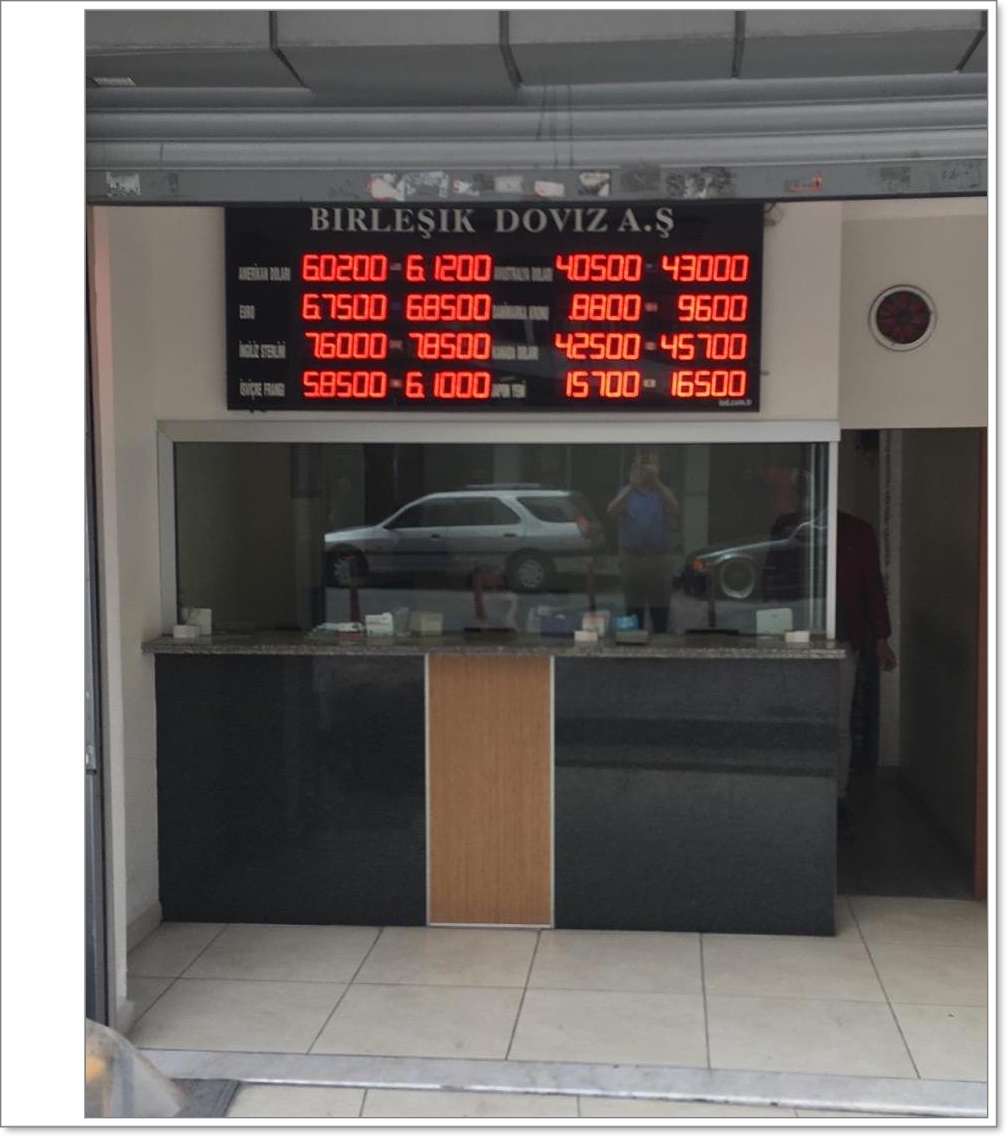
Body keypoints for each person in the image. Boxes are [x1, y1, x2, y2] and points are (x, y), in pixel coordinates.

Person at [835, 510, 897, 835]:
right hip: (798, 640)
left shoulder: (855, 532)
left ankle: (837, 798)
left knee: (839, 726)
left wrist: (881, 637)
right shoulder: (797, 528)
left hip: (843, 641)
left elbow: (872, 585)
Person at [607, 448, 680, 634]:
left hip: (659, 560)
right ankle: (635, 646)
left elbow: (674, 508)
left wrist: (657, 482)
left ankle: (660, 645)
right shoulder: (626, 493)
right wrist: (632, 485)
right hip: (633, 560)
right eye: (641, 466)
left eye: (649, 467)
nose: (645, 471)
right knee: (633, 611)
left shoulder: (662, 493)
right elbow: (612, 511)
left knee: (660, 611)